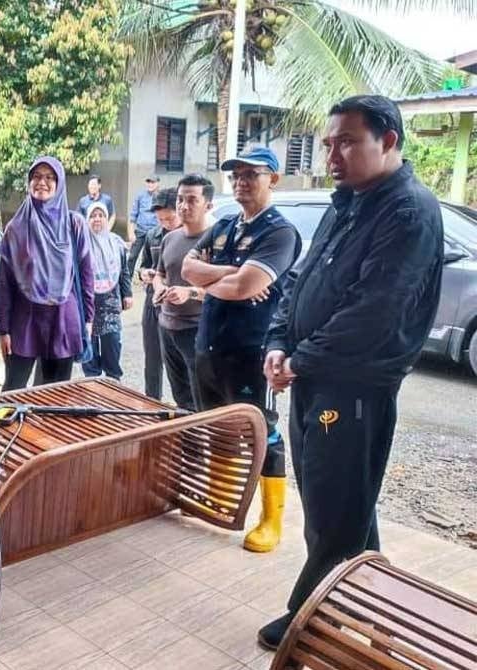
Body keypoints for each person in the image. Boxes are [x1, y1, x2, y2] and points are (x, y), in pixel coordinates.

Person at [255, 95, 443, 650]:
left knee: (335, 509)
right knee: (336, 499)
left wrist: (299, 358)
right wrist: (278, 340)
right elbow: (302, 279)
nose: (333, 154)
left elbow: (375, 311)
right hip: (314, 374)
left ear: (388, 142)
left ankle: (309, 617)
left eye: (347, 142)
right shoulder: (347, 202)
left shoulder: (408, 211)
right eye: (329, 142)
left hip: (355, 385)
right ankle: (370, 596)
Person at [182, 147, 301, 555]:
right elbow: (186, 267)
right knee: (219, 427)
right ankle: (222, 500)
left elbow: (243, 288)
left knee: (263, 433)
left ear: (274, 179)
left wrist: (218, 278)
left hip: (253, 353)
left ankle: (271, 520)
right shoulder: (225, 226)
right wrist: (233, 273)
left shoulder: (279, 233)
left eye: (253, 174)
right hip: (210, 346)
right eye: (236, 175)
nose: (241, 182)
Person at [0, 156, 94, 391]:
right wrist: (4, 329)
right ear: (29, 182)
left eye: (50, 177)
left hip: (63, 318)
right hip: (25, 320)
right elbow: (5, 283)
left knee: (54, 394)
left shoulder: (75, 224)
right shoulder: (16, 228)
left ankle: (45, 429)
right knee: (13, 389)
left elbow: (86, 274)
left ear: (59, 183)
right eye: (37, 177)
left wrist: (88, 319)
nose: (42, 182)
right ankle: (8, 429)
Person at [152, 178, 213, 411]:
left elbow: (228, 289)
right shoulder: (170, 237)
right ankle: (189, 444)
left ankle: (205, 444)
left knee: (203, 400)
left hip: (197, 329)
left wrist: (191, 293)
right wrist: (159, 288)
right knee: (181, 398)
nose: (183, 206)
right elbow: (159, 273)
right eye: (180, 199)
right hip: (167, 326)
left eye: (192, 200)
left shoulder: (216, 240)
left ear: (208, 205)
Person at [138, 186, 180, 399]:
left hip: (180, 307)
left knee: (180, 360)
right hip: (152, 302)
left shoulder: (190, 238)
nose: (164, 224)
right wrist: (144, 273)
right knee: (152, 358)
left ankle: (185, 409)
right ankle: (152, 403)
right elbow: (143, 265)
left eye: (169, 219)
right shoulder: (152, 236)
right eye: (160, 219)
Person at [81, 202, 132, 380]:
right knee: (89, 346)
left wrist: (128, 294)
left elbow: (124, 270)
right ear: (87, 220)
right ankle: (91, 382)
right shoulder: (81, 244)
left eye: (100, 215)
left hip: (110, 302)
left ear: (106, 218)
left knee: (112, 344)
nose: (97, 219)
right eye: (93, 216)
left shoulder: (116, 242)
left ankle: (113, 382)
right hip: (87, 304)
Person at [128, 175, 161, 273]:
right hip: (140, 231)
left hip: (154, 232)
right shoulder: (140, 196)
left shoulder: (161, 196)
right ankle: (126, 280)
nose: (150, 184)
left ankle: (150, 279)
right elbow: (133, 215)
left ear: (158, 183)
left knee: (153, 258)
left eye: (153, 182)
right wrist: (131, 232)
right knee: (132, 256)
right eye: (148, 182)